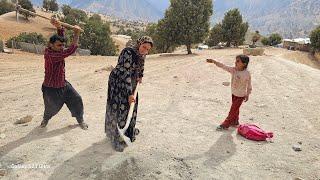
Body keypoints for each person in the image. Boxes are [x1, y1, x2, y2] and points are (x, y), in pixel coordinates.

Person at [105, 36, 153, 152]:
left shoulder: (142, 54)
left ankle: (128, 131)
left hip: (131, 80)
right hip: (118, 81)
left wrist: (140, 75)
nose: (145, 51)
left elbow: (141, 65)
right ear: (139, 43)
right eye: (144, 47)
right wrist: (129, 93)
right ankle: (115, 138)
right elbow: (125, 73)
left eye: (147, 49)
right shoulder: (128, 52)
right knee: (119, 107)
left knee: (131, 106)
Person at [40, 18, 88, 130]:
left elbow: (61, 40)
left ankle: (80, 120)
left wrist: (59, 27)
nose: (62, 47)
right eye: (59, 46)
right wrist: (76, 33)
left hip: (63, 84)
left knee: (77, 99)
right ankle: (45, 119)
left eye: (62, 45)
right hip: (51, 88)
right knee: (51, 109)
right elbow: (70, 50)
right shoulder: (51, 55)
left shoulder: (56, 50)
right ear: (50, 45)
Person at [207, 55, 252, 130]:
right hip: (234, 93)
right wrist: (214, 61)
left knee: (233, 109)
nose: (235, 62)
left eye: (238, 61)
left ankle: (225, 124)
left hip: (240, 95)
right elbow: (223, 66)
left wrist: (247, 94)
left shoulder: (246, 74)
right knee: (235, 109)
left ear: (244, 64)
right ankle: (235, 122)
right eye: (236, 60)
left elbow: (249, 85)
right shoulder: (233, 70)